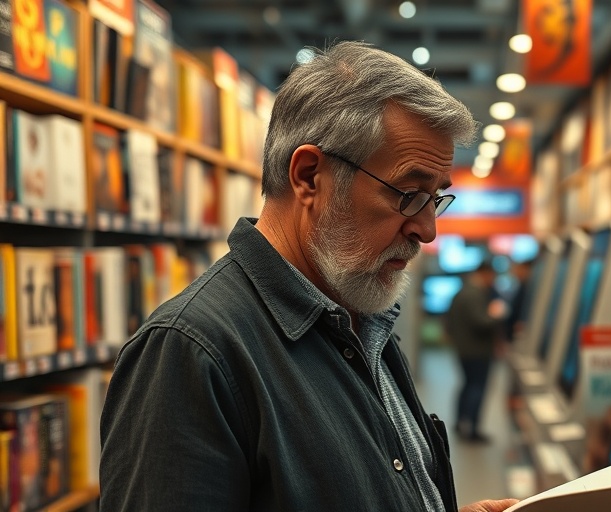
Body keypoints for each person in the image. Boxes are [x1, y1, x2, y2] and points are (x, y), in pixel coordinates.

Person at [99, 41, 518, 512]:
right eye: (408, 193)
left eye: (435, 197)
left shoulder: (364, 323)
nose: (427, 229)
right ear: (309, 176)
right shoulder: (189, 354)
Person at [443, 261, 506, 442]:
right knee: (477, 388)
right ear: (485, 274)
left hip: (464, 348)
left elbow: (449, 323)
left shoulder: (461, 292)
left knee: (467, 385)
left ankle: (460, 421)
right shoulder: (475, 294)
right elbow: (482, 322)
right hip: (478, 350)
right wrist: (496, 313)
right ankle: (472, 429)